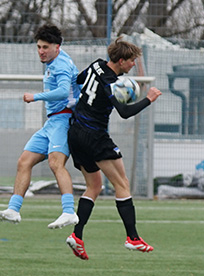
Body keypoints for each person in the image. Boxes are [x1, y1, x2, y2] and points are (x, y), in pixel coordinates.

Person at [65, 37, 162, 260]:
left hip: (76, 133)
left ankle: (77, 236)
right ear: (120, 60)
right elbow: (125, 113)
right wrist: (148, 98)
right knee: (122, 183)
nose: (133, 66)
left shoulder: (96, 64)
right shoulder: (111, 82)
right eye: (131, 62)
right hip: (95, 136)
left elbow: (80, 80)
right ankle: (133, 238)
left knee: (94, 186)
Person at [0, 24, 81, 229]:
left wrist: (35, 97)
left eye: (45, 47)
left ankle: (69, 212)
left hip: (64, 119)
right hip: (52, 122)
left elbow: (61, 91)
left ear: (57, 47)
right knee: (24, 161)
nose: (41, 51)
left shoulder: (61, 65)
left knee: (55, 163)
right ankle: (14, 209)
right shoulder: (56, 59)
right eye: (39, 47)